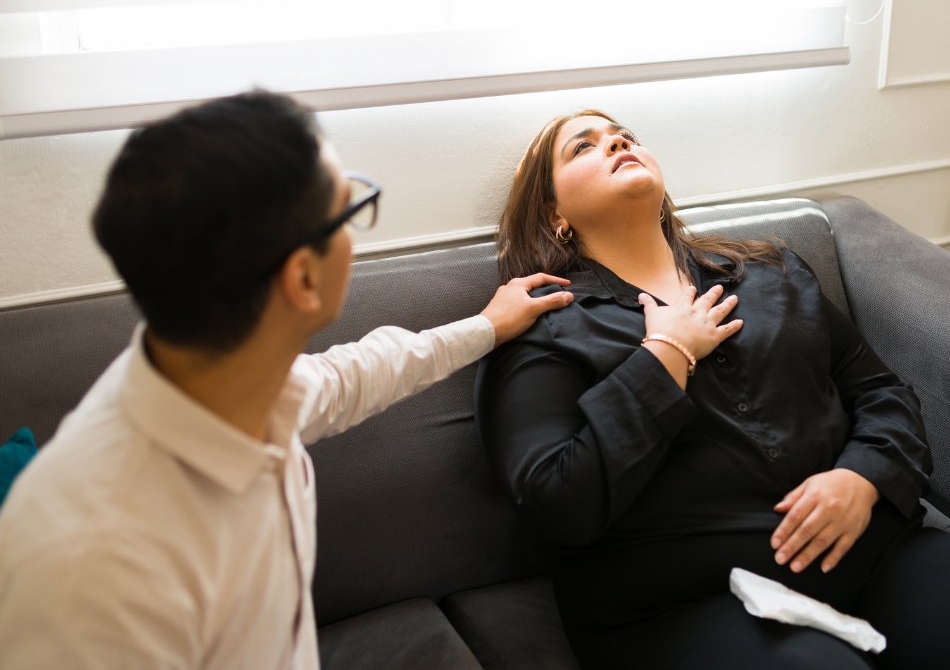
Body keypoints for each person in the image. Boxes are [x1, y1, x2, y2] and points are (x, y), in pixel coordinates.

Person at [0, 91, 573, 669]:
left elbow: (352, 375)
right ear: (302, 278)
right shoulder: (89, 573)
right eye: (349, 207)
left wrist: (485, 327)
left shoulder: (223, 376)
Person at [474, 110, 950, 670]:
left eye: (624, 136)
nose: (617, 143)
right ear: (555, 213)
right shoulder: (538, 330)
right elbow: (558, 502)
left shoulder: (773, 271)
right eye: (583, 147)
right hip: (686, 605)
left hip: (877, 550)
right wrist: (664, 357)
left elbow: (880, 391)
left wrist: (863, 476)